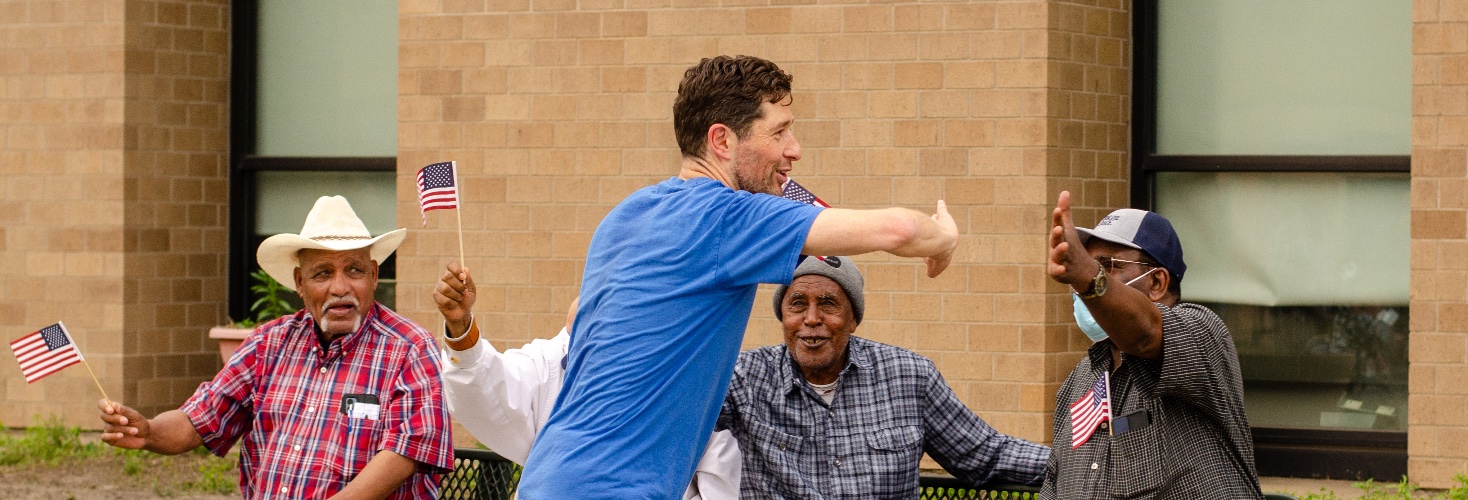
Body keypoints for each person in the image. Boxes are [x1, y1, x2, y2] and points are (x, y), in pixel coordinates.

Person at [517, 54, 960, 499]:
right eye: (779, 132)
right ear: (722, 140)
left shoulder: (626, 215)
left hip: (547, 475)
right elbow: (900, 230)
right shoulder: (727, 217)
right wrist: (943, 240)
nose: (795, 149)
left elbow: (581, 315)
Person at [97, 196, 454, 499]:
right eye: (323, 273)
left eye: (354, 270)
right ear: (299, 282)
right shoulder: (268, 343)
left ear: (374, 275)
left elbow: (405, 453)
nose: (340, 287)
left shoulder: (410, 349)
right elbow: (199, 420)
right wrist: (149, 432)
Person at [718, 256, 1049, 499]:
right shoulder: (743, 378)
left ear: (853, 319)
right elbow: (685, 415)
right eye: (798, 304)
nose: (812, 318)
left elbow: (987, 454)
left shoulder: (908, 376)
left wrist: (1077, 463)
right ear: (783, 316)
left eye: (828, 304)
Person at [433, 262, 742, 499]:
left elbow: (717, 484)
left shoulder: (691, 379)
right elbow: (490, 390)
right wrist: (461, 329)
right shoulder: (555, 359)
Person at [1041, 191, 1260, 498]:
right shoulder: (1079, 381)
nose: (1083, 286)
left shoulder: (1203, 333)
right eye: (1088, 263)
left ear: (1157, 283)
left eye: (1107, 266)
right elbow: (1054, 482)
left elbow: (1145, 334)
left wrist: (1088, 275)